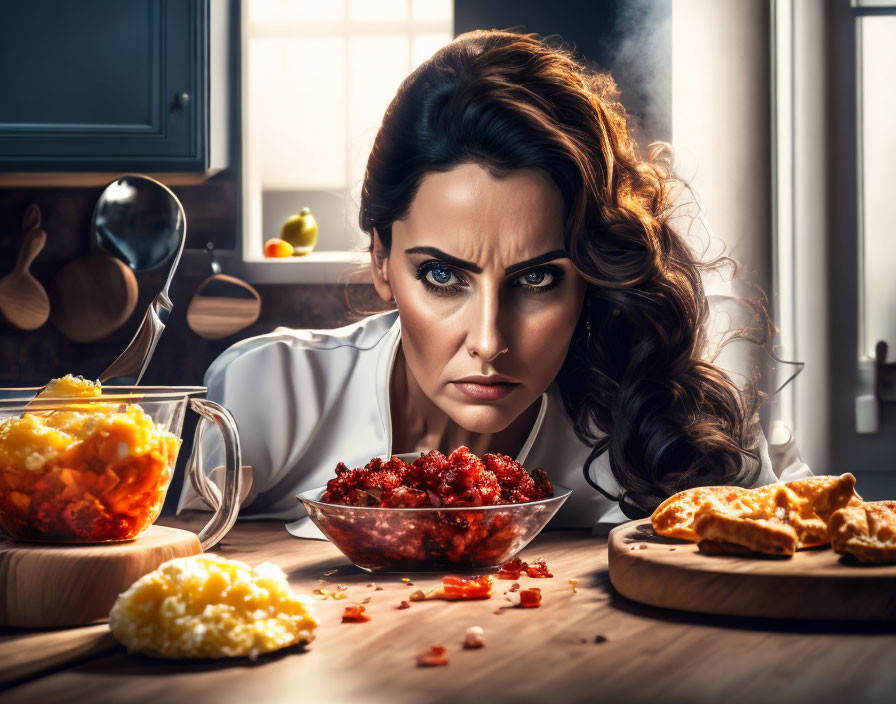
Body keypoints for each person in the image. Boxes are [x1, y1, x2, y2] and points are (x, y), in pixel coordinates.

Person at [177, 30, 809, 530]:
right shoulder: (266, 397)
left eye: (537, 279)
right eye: (443, 274)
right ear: (381, 261)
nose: (489, 341)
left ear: (588, 277)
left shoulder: (666, 428)